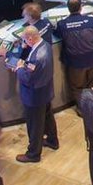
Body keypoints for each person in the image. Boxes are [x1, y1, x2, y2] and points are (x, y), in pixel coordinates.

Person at [7, 26, 58, 163]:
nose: (23, 42)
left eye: (24, 39)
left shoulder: (36, 58)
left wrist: (18, 68)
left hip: (34, 96)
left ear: (30, 39)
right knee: (47, 117)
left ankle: (33, 154)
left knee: (34, 125)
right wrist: (24, 57)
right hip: (45, 90)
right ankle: (52, 141)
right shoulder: (45, 44)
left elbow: (28, 78)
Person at [57, 0, 93, 100]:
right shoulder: (91, 20)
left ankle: (82, 107)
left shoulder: (62, 24)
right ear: (81, 7)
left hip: (76, 63)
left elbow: (57, 34)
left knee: (78, 88)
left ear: (68, 8)